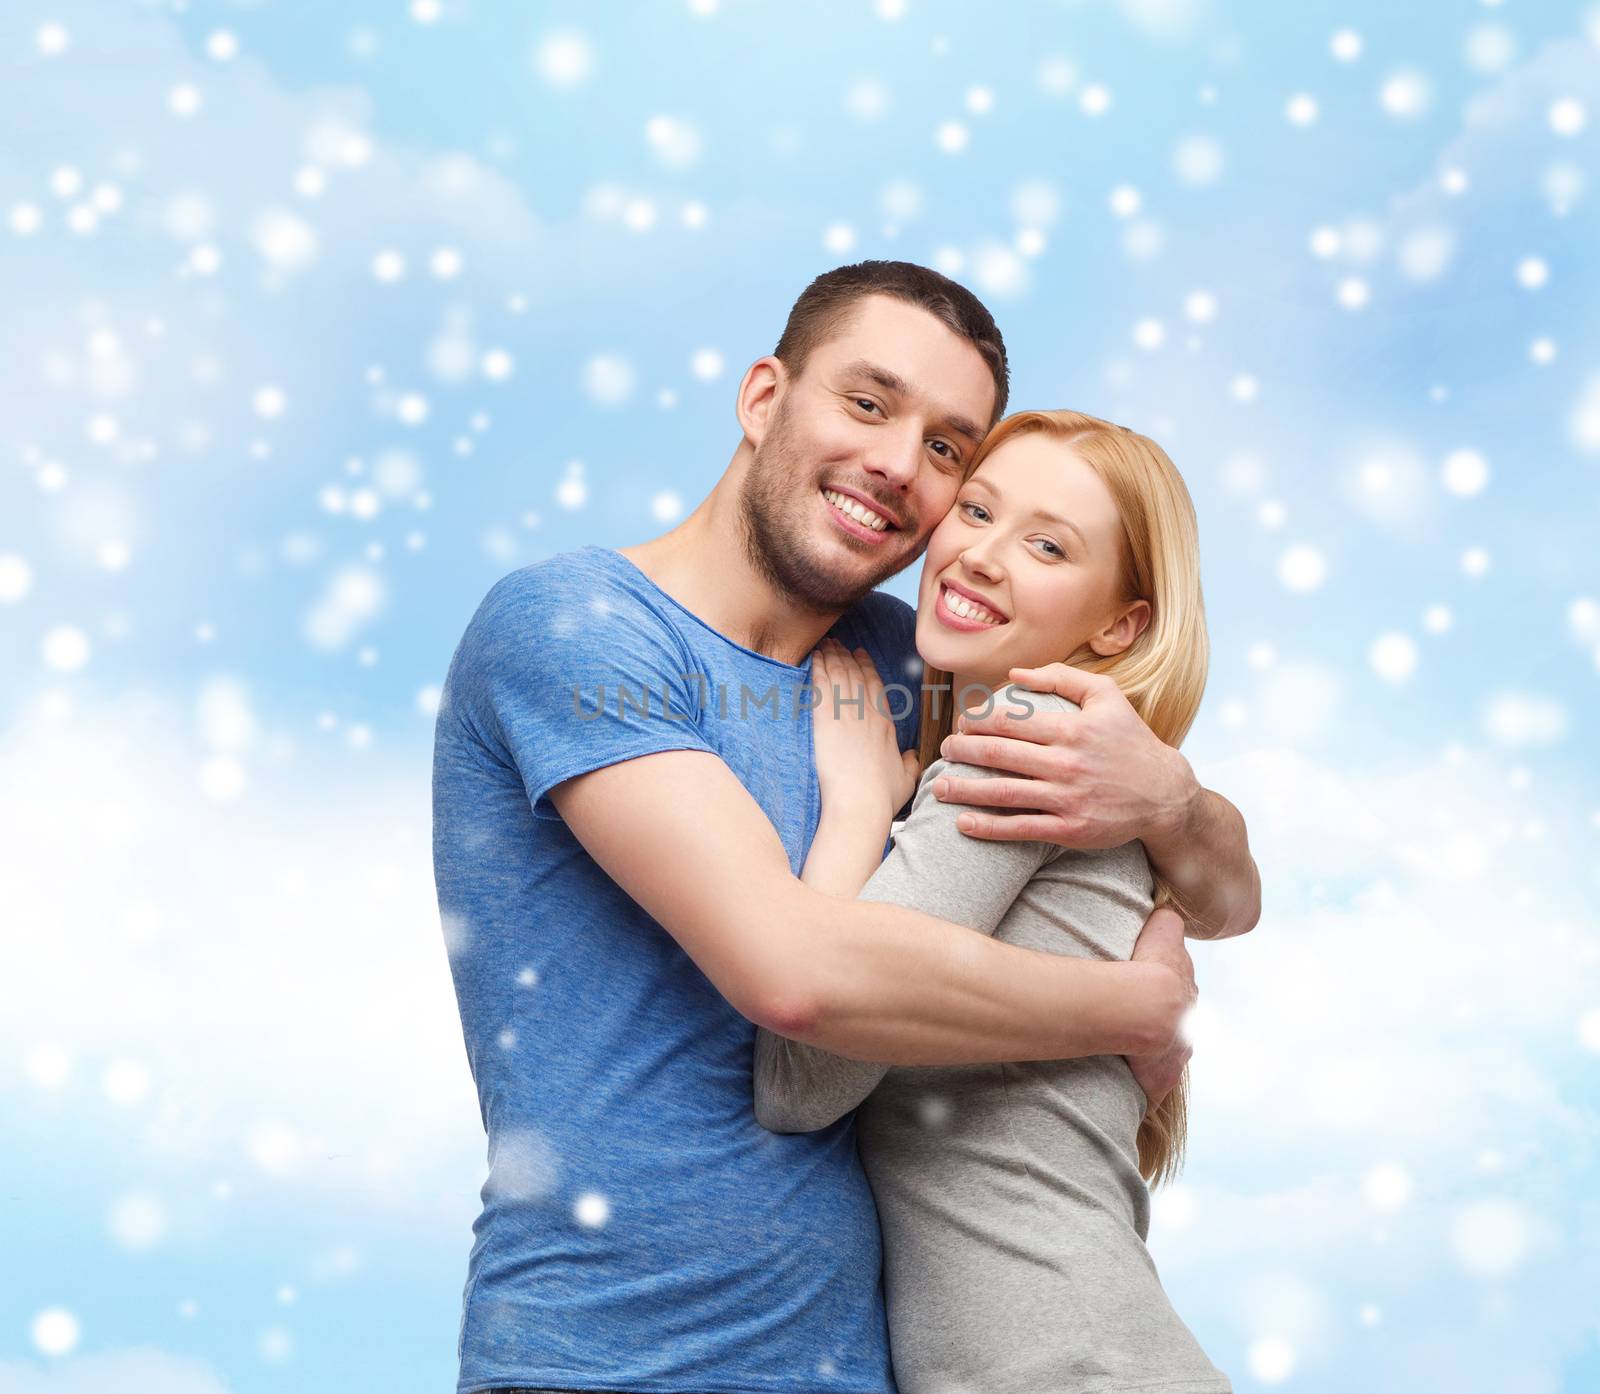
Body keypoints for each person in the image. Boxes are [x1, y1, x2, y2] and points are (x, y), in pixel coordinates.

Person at [431, 260, 1259, 1394]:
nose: (895, 464)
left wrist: (1171, 800)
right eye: (868, 404)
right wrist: (1131, 1006)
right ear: (764, 396)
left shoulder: (922, 660)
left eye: (944, 449)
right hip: (611, 1352)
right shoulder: (579, 628)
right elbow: (797, 978)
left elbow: (1226, 895)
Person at [754, 409, 1231, 1393]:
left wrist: (851, 803)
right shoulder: (1042, 754)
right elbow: (1231, 894)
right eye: (976, 510)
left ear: (1119, 623)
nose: (980, 555)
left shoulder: (1028, 738)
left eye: (1048, 544)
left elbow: (803, 1075)